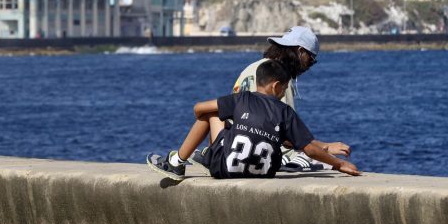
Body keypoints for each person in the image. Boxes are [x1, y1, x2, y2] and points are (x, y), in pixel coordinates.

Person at [146, 60, 361, 180]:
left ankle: (176, 162)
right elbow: (309, 149)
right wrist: (339, 164)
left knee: (212, 113)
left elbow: (198, 108)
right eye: (285, 88)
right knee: (264, 133)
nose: (285, 91)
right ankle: (205, 154)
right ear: (276, 86)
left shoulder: (242, 99)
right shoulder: (285, 112)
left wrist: (200, 116)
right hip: (264, 173)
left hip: (225, 169)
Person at [230, 25, 352, 170]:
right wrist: (325, 147)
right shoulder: (280, 81)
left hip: (235, 149)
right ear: (301, 52)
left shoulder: (250, 69)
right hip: (265, 154)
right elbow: (285, 134)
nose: (309, 66)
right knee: (326, 163)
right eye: (311, 59)